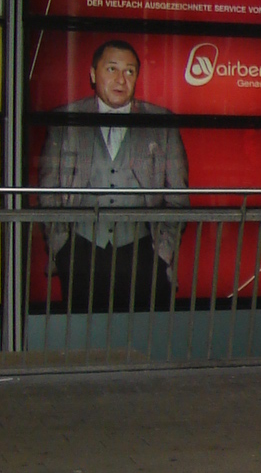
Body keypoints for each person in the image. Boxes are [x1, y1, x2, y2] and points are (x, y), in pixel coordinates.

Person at [37, 39, 188, 311]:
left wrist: (162, 254)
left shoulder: (161, 122)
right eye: (112, 69)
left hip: (144, 253)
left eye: (129, 71)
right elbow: (48, 192)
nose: (121, 79)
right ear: (93, 74)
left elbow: (178, 196)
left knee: (142, 337)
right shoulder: (64, 120)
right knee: (85, 337)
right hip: (80, 251)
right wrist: (62, 250)